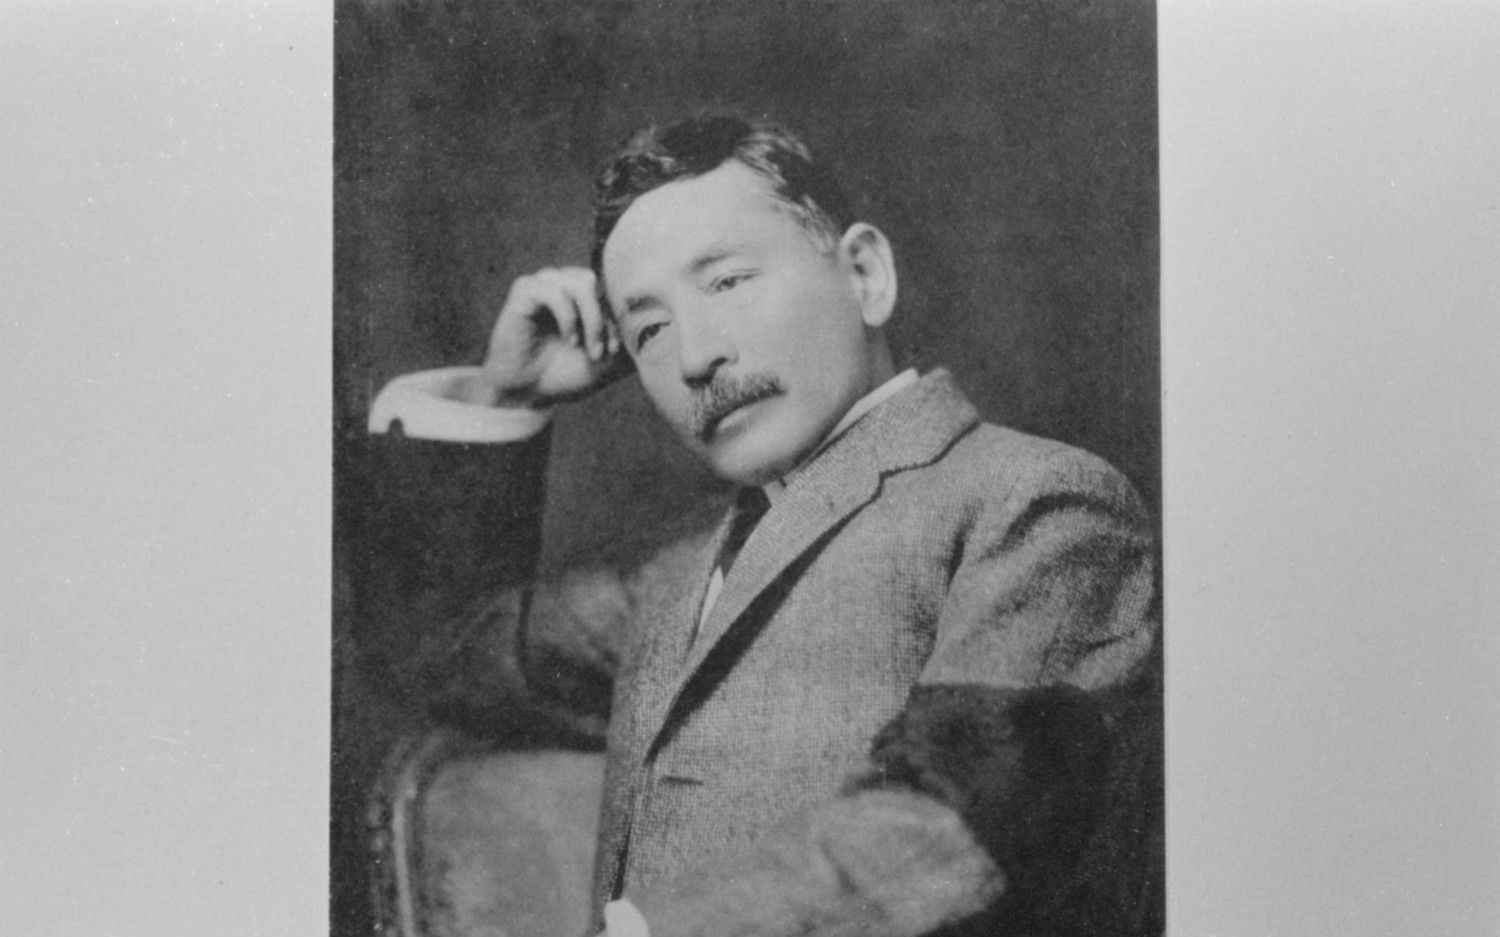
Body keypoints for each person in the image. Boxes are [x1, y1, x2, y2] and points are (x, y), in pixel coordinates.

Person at [355, 114, 1162, 937]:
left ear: (864, 274)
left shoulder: (1035, 501)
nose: (695, 357)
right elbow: (446, 655)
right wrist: (500, 398)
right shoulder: (673, 579)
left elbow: (952, 829)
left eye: (729, 282)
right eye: (649, 329)